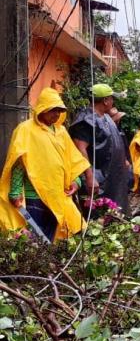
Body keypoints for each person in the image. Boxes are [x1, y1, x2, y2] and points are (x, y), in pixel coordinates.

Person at [0, 88, 89, 241]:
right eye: (53, 110)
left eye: (59, 111)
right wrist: (15, 190)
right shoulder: (25, 130)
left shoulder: (61, 132)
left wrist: (77, 181)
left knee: (52, 238)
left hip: (58, 196)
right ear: (42, 108)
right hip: (34, 196)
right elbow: (18, 161)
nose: (56, 114)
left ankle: (48, 264)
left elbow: (72, 161)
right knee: (33, 239)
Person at [69, 83, 131, 215]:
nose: (113, 101)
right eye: (112, 98)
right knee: (98, 216)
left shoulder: (106, 117)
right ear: (105, 100)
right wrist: (90, 177)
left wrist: (123, 159)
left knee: (115, 215)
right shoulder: (85, 121)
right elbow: (80, 150)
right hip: (98, 180)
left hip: (112, 177)